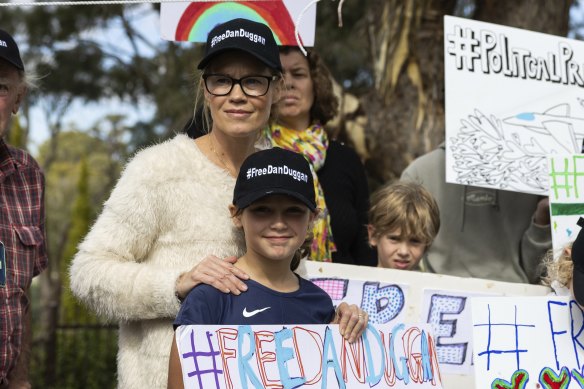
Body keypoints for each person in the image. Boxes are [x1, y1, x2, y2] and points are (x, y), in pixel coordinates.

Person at [70, 19, 360, 389]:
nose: (236, 95)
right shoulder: (158, 168)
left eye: (253, 81)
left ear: (274, 90)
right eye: (222, 80)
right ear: (206, 90)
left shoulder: (285, 173)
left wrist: (334, 321)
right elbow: (87, 273)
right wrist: (174, 285)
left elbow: (287, 282)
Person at [168, 147, 369, 388]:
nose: (278, 224)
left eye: (293, 211)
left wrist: (352, 331)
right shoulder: (210, 298)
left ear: (312, 218)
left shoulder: (320, 303)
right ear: (236, 215)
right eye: (262, 210)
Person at [264, 46, 375, 266]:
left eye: (298, 74)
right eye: (278, 75)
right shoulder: (254, 150)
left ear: (317, 84)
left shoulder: (346, 159)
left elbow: (366, 246)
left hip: (343, 294)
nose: (289, 83)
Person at [401, 143, 551, 283]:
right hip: (436, 290)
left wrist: (543, 220)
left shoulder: (539, 174)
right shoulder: (420, 172)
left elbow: (542, 270)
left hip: (515, 296)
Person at [0, 29, 47, 389]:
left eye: (0, 88)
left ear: (18, 98)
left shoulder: (28, 175)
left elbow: (20, 296)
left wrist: (20, 381)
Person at [368, 182, 440, 271]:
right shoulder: (355, 283)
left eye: (415, 241)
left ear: (428, 244)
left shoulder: (431, 285)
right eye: (394, 239)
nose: (403, 252)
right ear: (373, 235)